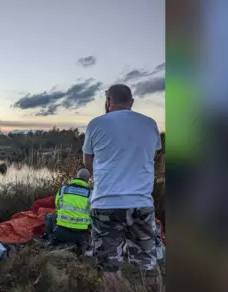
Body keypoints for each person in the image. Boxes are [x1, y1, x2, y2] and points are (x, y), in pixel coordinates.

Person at [82, 84, 162, 292]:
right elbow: (149, 157)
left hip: (106, 203)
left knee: (110, 265)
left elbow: (87, 163)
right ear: (132, 102)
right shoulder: (150, 124)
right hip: (141, 203)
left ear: (108, 101)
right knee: (149, 263)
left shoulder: (96, 124)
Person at [45, 169, 92, 254]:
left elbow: (57, 208)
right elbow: (93, 214)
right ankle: (81, 247)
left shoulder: (63, 190)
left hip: (61, 232)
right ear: (88, 180)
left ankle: (52, 242)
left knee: (49, 217)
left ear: (77, 177)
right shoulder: (91, 194)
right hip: (81, 236)